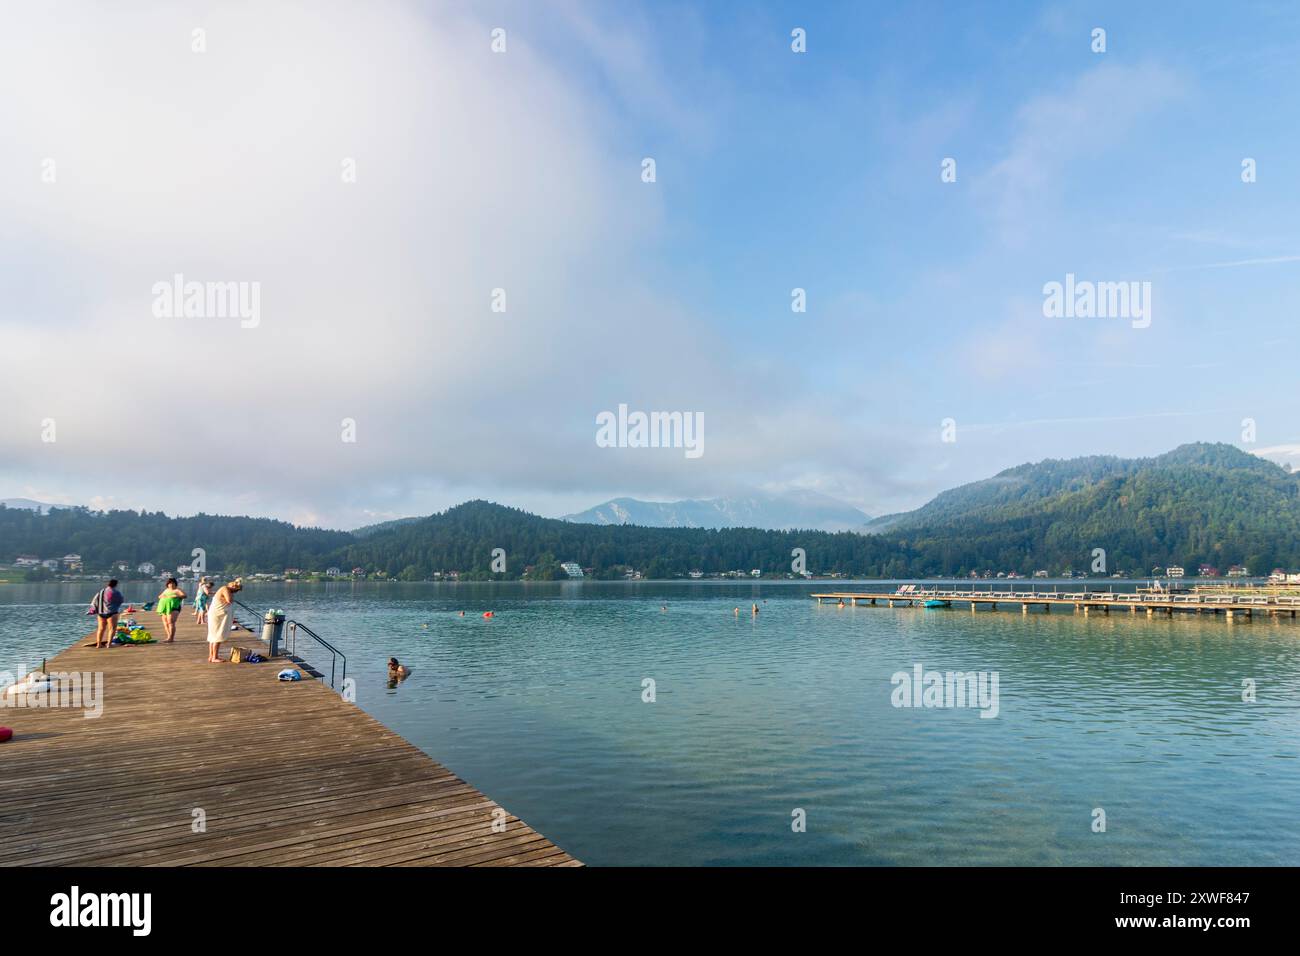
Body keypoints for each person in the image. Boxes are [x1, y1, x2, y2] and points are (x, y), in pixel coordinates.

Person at [207, 579, 242, 663]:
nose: (235, 592)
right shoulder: (225, 588)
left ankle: (211, 656)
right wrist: (232, 597)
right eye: (236, 590)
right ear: (233, 587)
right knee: (217, 636)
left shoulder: (225, 589)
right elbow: (229, 600)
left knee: (213, 636)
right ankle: (214, 657)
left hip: (216, 615)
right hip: (218, 616)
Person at [88, 579, 125, 649]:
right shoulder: (116, 592)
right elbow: (121, 600)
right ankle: (109, 644)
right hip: (112, 612)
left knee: (100, 629)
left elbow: (94, 601)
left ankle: (98, 644)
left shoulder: (101, 592)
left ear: (108, 584)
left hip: (101, 613)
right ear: (116, 585)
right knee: (112, 629)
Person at [155, 578, 187, 642]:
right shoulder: (166, 590)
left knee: (171, 622)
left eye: (173, 583)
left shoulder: (177, 590)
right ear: (167, 584)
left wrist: (176, 596)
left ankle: (171, 638)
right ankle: (168, 636)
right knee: (165, 623)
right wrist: (164, 597)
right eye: (169, 583)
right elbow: (159, 596)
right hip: (165, 607)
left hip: (174, 607)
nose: (171, 585)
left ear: (175, 584)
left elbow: (184, 596)